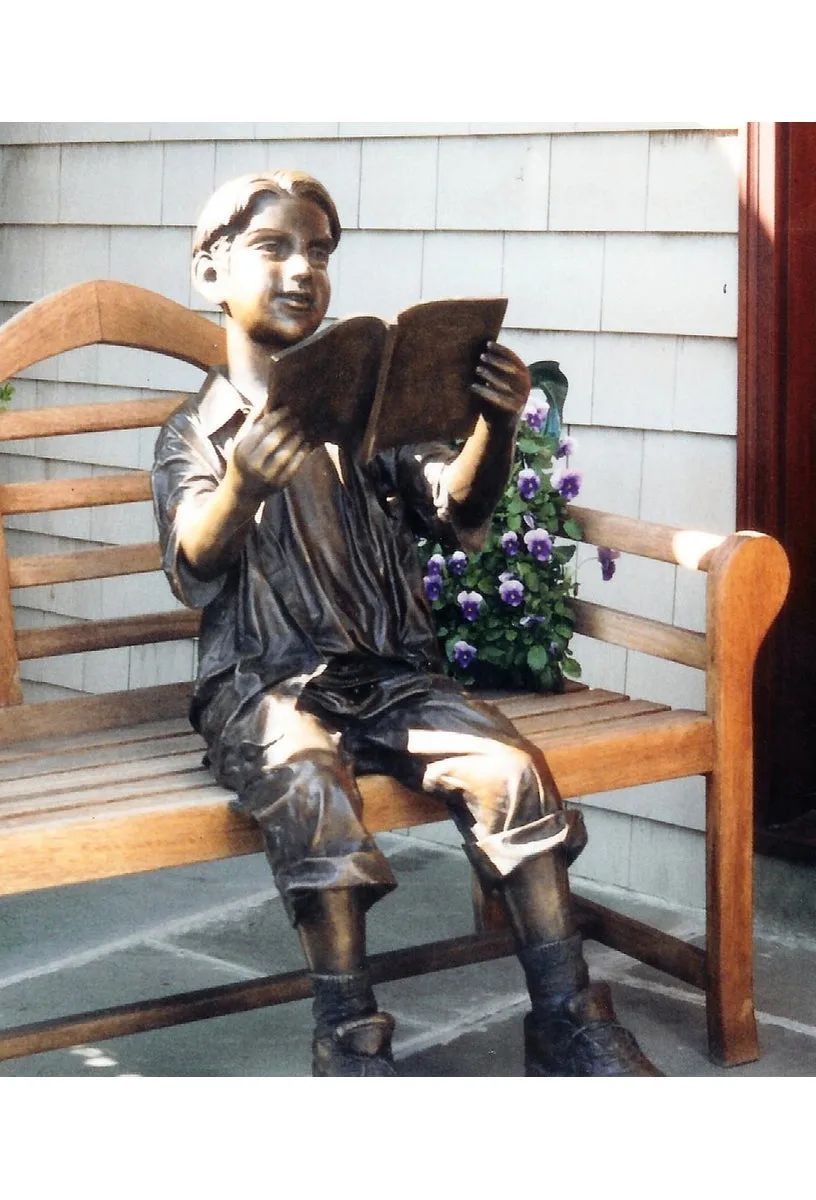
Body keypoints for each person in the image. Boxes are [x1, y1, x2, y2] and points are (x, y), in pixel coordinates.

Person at [151, 169, 660, 1077]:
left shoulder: (369, 420)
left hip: (389, 677)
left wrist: (494, 429)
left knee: (510, 771)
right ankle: (349, 1041)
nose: (302, 269)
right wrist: (243, 484)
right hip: (267, 684)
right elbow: (192, 564)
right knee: (308, 786)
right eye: (275, 248)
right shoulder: (197, 431)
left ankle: (566, 1017)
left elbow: (456, 510)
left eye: (319, 251)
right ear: (209, 275)